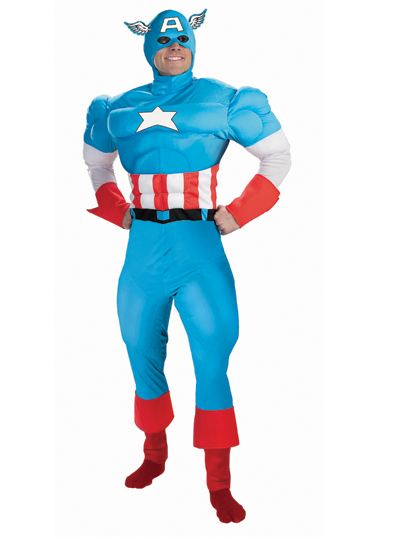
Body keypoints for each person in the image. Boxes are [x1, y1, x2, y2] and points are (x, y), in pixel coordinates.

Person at [83, 8, 291, 524]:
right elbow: (96, 163)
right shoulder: (118, 108)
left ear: (194, 42)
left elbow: (278, 156)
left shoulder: (224, 99)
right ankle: (154, 455)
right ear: (146, 44)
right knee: (139, 352)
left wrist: (241, 212)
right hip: (143, 250)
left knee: (212, 361)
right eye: (162, 38)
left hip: (200, 248)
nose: (173, 45)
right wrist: (115, 208)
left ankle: (219, 484)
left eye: (182, 37)